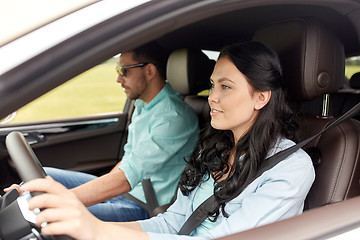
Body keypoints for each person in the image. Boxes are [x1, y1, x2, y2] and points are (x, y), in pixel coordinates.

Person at [20, 41, 315, 240]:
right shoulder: (217, 150)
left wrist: (97, 231)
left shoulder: (290, 168)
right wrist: (99, 230)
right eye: (213, 85)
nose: (212, 96)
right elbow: (170, 223)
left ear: (261, 97)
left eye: (226, 86)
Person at [6, 42, 199, 222]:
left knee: (49, 214)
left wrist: (60, 199)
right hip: (124, 191)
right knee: (42, 176)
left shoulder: (173, 117)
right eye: (117, 70)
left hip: (142, 205)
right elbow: (127, 161)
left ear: (149, 71)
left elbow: (125, 179)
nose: (118, 78)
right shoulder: (143, 106)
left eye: (124, 71)